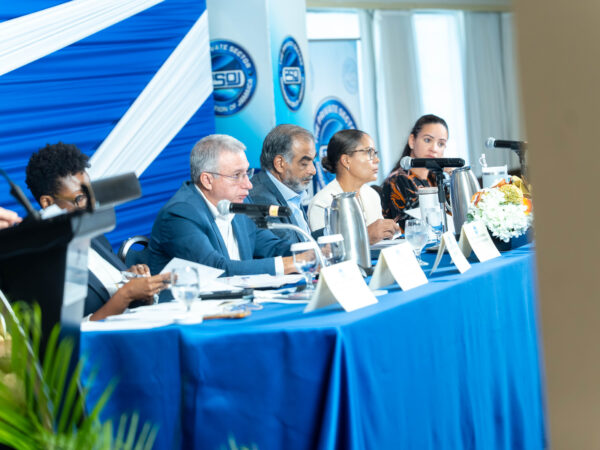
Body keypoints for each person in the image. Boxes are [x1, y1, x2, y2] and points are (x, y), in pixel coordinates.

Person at [25, 143, 170, 321]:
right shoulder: (41, 259)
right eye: (80, 197)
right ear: (47, 203)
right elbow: (66, 331)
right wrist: (126, 294)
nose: (91, 205)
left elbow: (129, 305)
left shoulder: (94, 237)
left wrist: (138, 287)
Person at [148, 134, 299, 276]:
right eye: (236, 175)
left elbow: (271, 247)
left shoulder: (239, 202)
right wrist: (292, 264)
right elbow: (217, 270)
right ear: (207, 180)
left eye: (247, 173)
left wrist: (308, 253)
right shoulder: (180, 214)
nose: (248, 185)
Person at [307, 129, 398, 244]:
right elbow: (326, 250)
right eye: (369, 152)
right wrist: (365, 236)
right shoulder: (322, 203)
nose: (377, 160)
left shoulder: (372, 195)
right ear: (346, 160)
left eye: (375, 153)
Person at [249, 124, 320, 243]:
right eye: (304, 163)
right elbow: (288, 249)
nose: (313, 170)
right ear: (280, 164)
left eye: (313, 161)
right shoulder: (260, 198)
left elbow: (303, 239)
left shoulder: (290, 189)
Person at [380, 114, 449, 231]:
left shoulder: (437, 178)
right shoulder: (398, 180)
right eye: (427, 140)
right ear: (412, 141)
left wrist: (453, 178)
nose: (434, 149)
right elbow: (412, 229)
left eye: (441, 144)